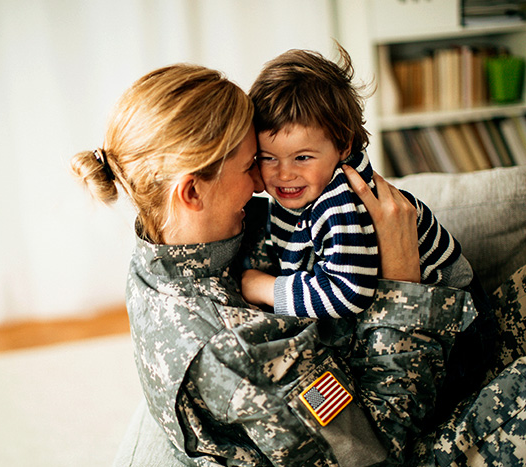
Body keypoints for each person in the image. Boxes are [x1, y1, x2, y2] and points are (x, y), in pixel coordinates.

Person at [71, 63, 523, 465]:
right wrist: (402, 278)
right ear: (191, 192)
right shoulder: (242, 351)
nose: (265, 183)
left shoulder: (159, 252)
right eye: (255, 164)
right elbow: (377, 450)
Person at [240, 46, 473, 318]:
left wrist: (265, 287)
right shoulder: (301, 191)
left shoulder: (340, 202)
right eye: (269, 158)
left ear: (342, 146)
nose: (284, 174)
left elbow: (346, 294)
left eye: (302, 157)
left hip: (456, 316)